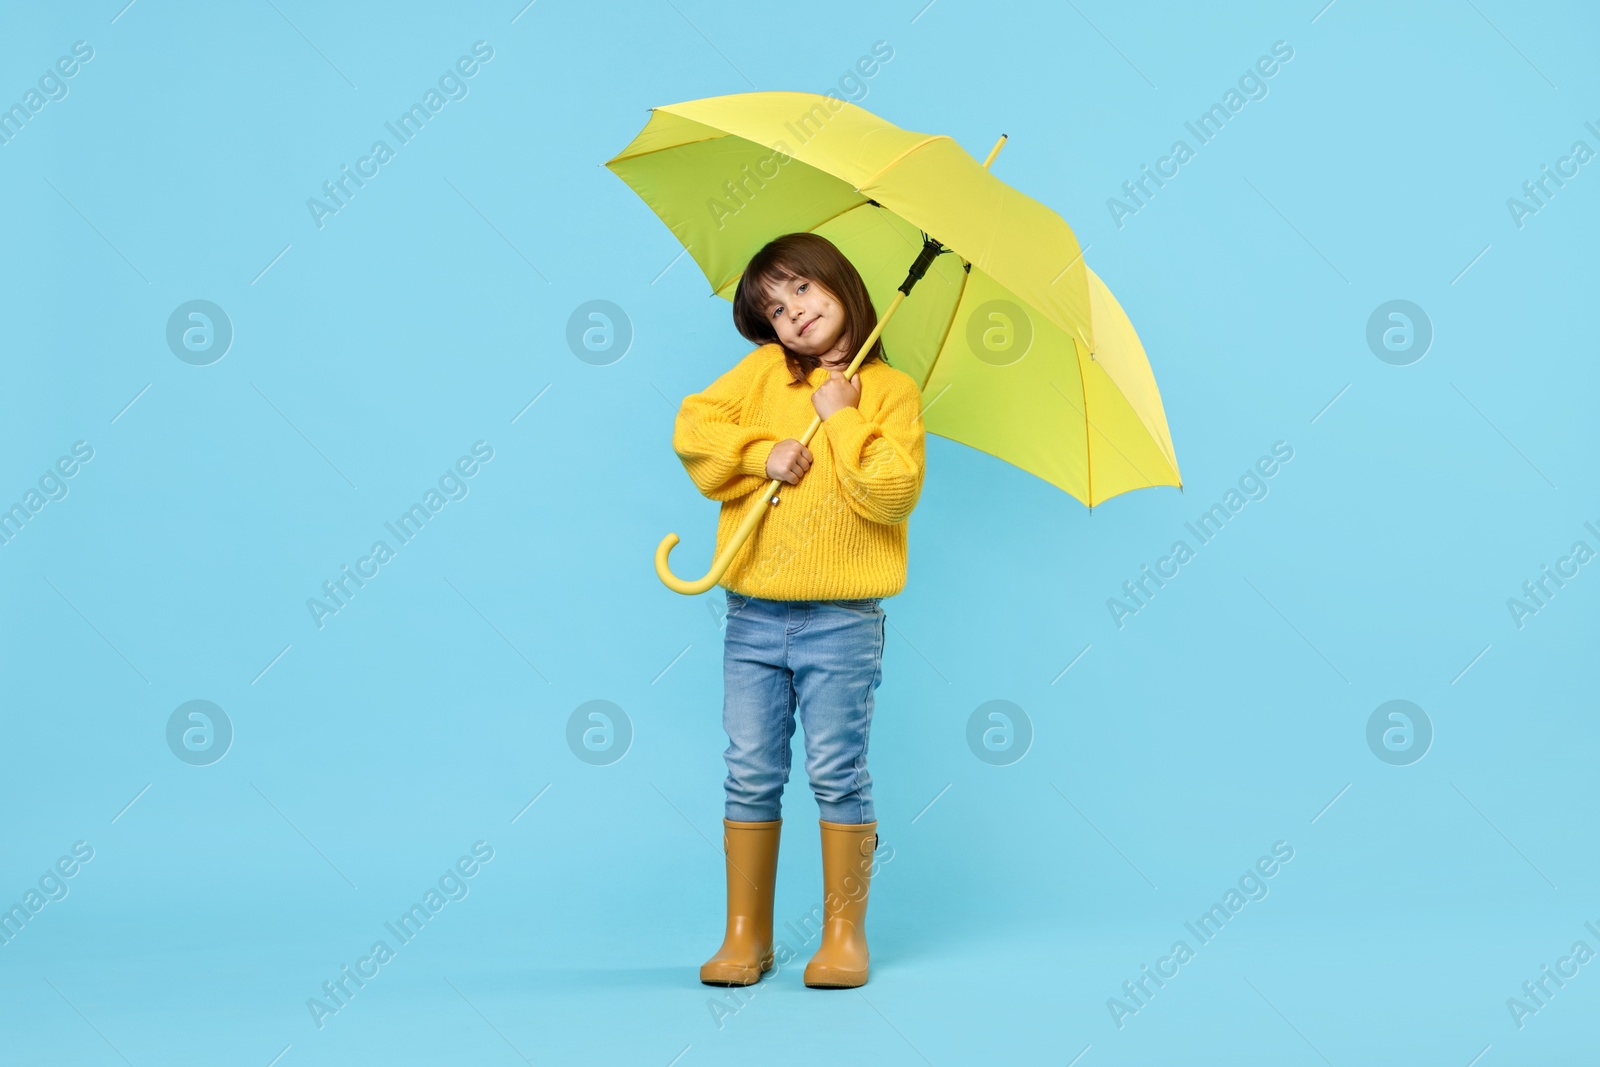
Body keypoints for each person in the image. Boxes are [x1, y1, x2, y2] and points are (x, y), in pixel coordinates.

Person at [672, 232, 926, 989]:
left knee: (835, 771)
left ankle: (844, 936)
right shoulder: (761, 375)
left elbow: (891, 492)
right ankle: (745, 935)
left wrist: (841, 416)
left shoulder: (890, 392)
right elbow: (695, 425)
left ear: (840, 283)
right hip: (751, 616)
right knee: (749, 771)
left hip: (843, 622)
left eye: (803, 291)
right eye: (775, 309)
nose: (793, 315)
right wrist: (762, 454)